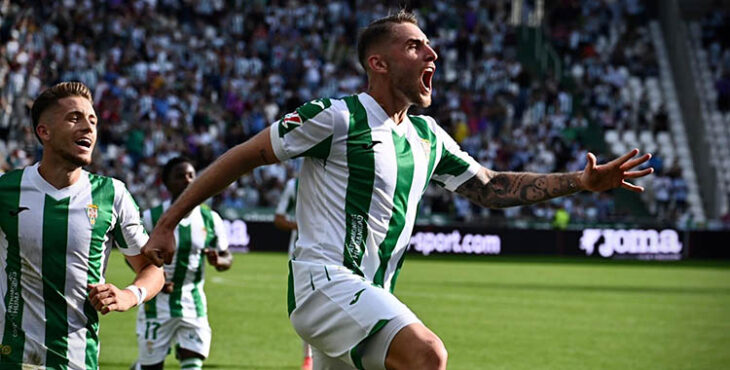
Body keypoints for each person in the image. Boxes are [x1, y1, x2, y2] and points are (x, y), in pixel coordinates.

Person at [142, 11, 653, 370]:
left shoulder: (428, 137)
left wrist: (580, 182)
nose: (432, 53)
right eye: (416, 45)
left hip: (372, 293)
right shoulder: (336, 115)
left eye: (430, 45)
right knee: (427, 355)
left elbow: (491, 187)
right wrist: (167, 222)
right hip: (325, 283)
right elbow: (244, 155)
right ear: (378, 64)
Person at [0, 81, 164, 369]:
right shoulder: (7, 190)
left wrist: (129, 295)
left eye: (93, 120)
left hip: (78, 361)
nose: (89, 127)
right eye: (74, 118)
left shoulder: (112, 195)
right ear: (44, 131)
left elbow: (152, 268)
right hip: (12, 359)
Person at [133, 157, 232, 370]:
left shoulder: (210, 218)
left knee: (193, 361)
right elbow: (133, 256)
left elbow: (227, 257)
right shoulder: (152, 217)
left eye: (191, 175)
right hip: (156, 305)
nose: (187, 180)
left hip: (193, 303)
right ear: (167, 183)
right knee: (151, 366)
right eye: (180, 176)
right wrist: (155, 281)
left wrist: (219, 260)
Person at [274, 176, 313, 370]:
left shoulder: (337, 174)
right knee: (307, 305)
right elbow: (279, 219)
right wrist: (301, 225)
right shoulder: (293, 185)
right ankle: (308, 357)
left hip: (333, 250)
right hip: (300, 253)